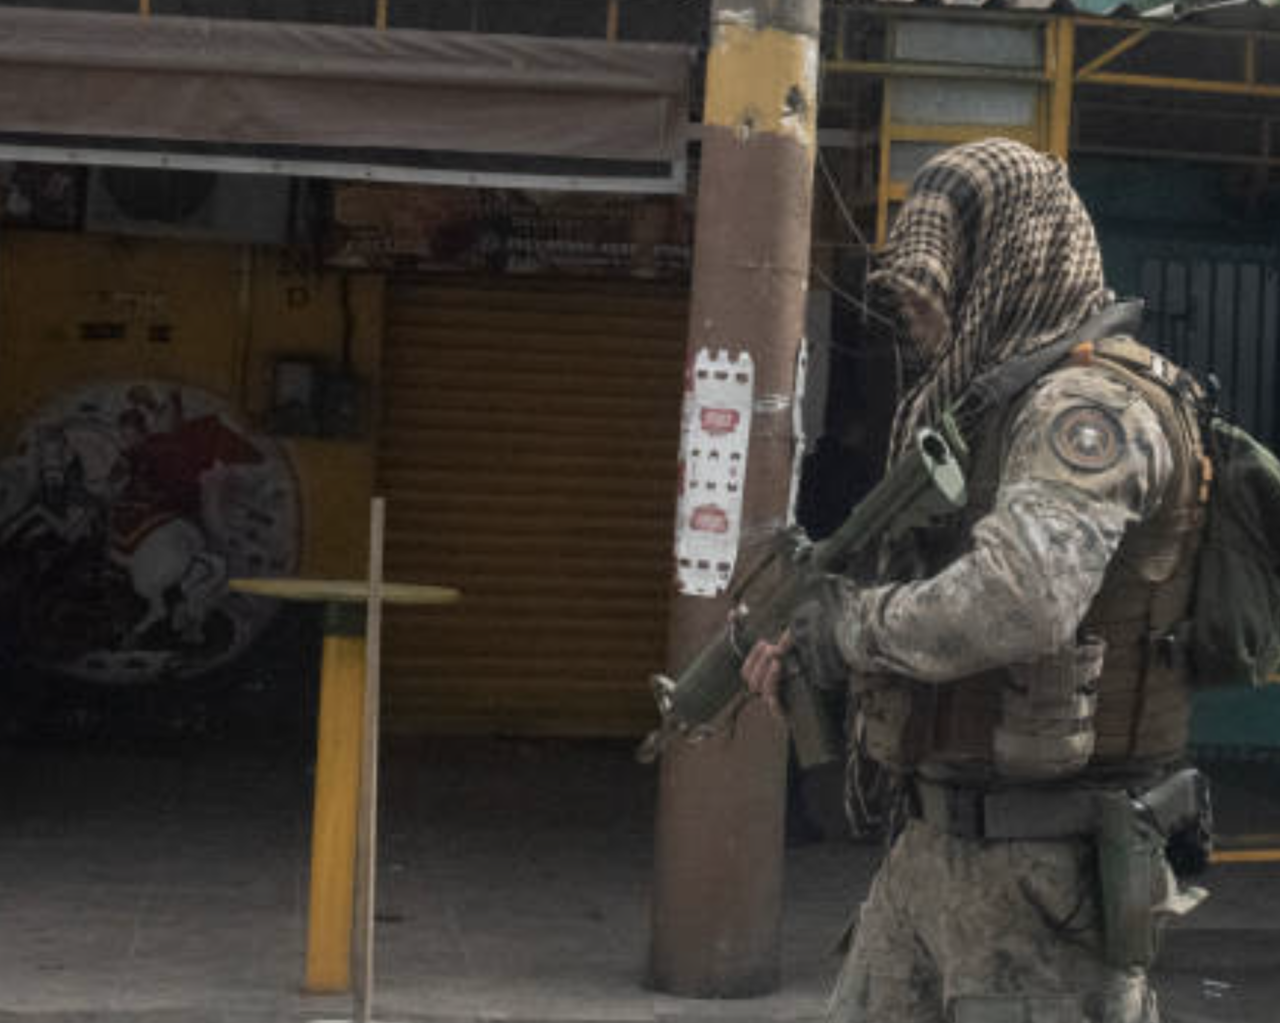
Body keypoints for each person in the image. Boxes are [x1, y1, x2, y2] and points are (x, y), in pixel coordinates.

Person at [741, 138, 1209, 1022]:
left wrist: (851, 630)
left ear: (1011, 257)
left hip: (1043, 881)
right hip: (931, 854)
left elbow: (1023, 598)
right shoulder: (982, 417)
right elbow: (933, 621)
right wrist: (824, 666)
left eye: (939, 282)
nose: (919, 312)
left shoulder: (1087, 410)